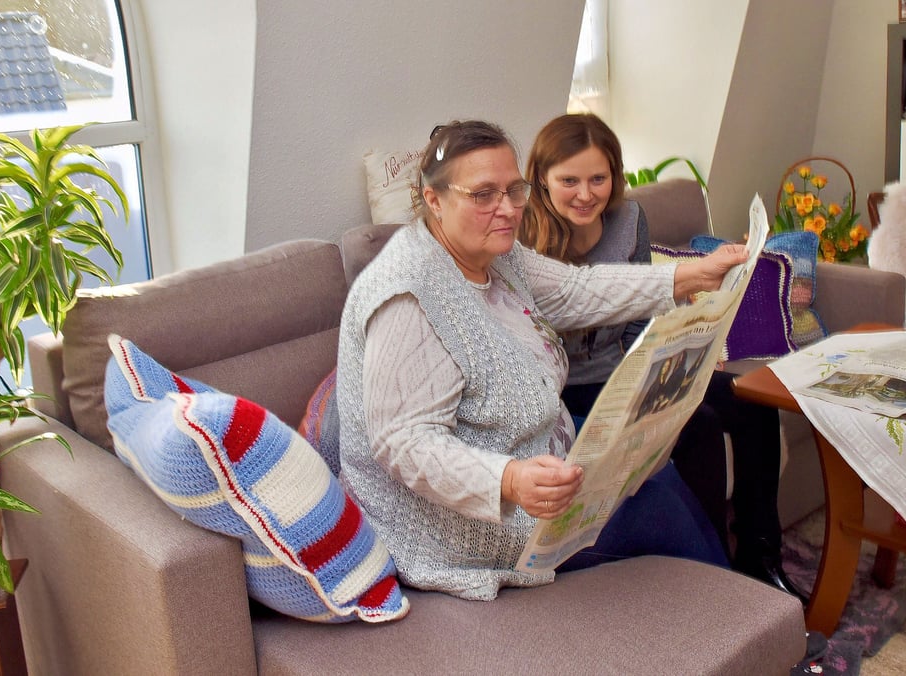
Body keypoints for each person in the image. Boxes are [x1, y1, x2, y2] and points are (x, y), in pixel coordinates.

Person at [336, 119, 748, 600]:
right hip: (462, 521)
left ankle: (741, 618)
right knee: (658, 512)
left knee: (658, 468)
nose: (507, 209)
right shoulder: (408, 295)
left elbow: (577, 289)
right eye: (484, 194)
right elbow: (404, 443)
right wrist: (508, 480)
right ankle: (739, 621)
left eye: (514, 190)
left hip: (538, 453)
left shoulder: (496, 255)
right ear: (434, 200)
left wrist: (691, 276)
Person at [517, 112, 807, 602]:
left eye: (598, 179)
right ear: (542, 181)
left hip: (628, 367)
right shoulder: (524, 239)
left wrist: (679, 356)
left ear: (615, 176)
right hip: (571, 390)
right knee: (697, 427)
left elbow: (638, 320)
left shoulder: (629, 219)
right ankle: (712, 574)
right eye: (569, 180)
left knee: (751, 400)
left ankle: (761, 559)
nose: (585, 194)